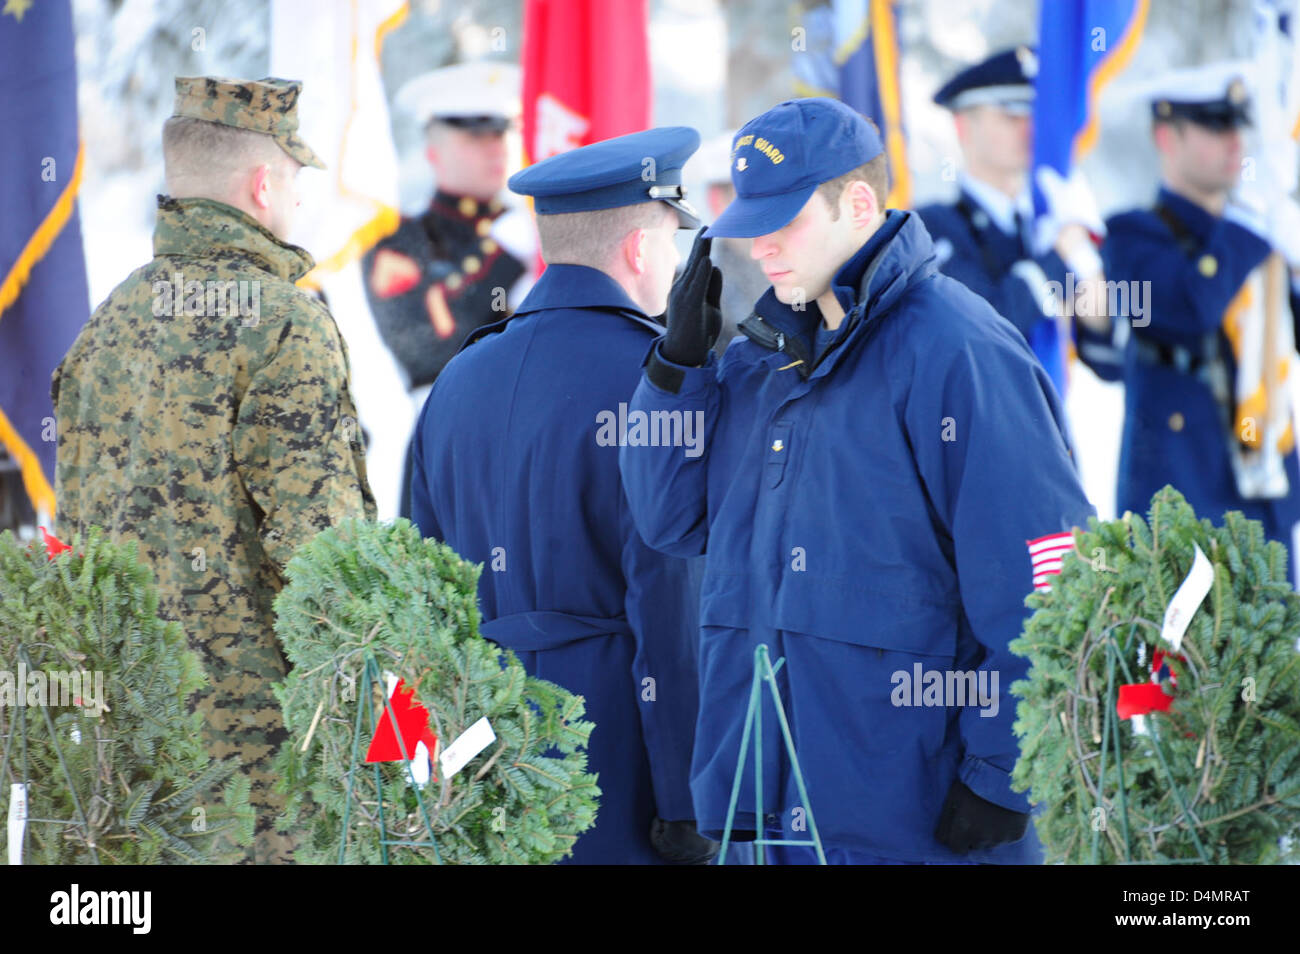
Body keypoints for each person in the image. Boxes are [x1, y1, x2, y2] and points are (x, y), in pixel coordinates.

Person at [619, 97, 1095, 864]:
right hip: (768, 815)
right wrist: (675, 370)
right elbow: (668, 520)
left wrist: (1004, 771)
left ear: (860, 204)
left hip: (912, 820)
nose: (763, 246)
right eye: (752, 222)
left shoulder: (959, 352)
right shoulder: (757, 362)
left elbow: (1050, 574)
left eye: (786, 219)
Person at [51, 76, 377, 863]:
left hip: (127, 736)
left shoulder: (107, 322)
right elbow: (321, 553)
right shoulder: (286, 323)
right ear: (263, 185)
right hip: (260, 757)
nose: (296, 204)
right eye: (294, 181)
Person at [406, 127, 715, 865]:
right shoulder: (656, 384)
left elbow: (416, 597)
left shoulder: (457, 380)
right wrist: (687, 798)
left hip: (478, 746)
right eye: (671, 240)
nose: (673, 262)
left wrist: (425, 779)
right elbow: (669, 601)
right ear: (640, 250)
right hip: (615, 743)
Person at [1086, 66, 1300, 554]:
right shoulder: (1131, 236)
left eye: (1237, 126)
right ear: (1166, 136)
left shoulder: (1256, 242)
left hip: (1265, 493)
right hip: (1178, 496)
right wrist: (1251, 224)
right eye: (1214, 126)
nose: (1233, 142)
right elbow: (1189, 307)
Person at [361, 62, 533, 518]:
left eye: (503, 132)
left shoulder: (537, 233)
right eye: (475, 135)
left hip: (532, 453)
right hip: (448, 456)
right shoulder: (400, 241)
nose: (495, 147)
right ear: (433, 149)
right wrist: (504, 259)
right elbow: (426, 345)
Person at [918, 45, 1107, 395]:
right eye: (1010, 116)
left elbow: (1110, 361)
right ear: (963, 127)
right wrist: (1062, 259)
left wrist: (1090, 277)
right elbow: (983, 328)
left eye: (1035, 116)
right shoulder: (929, 229)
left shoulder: (1052, 225)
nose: (1029, 129)